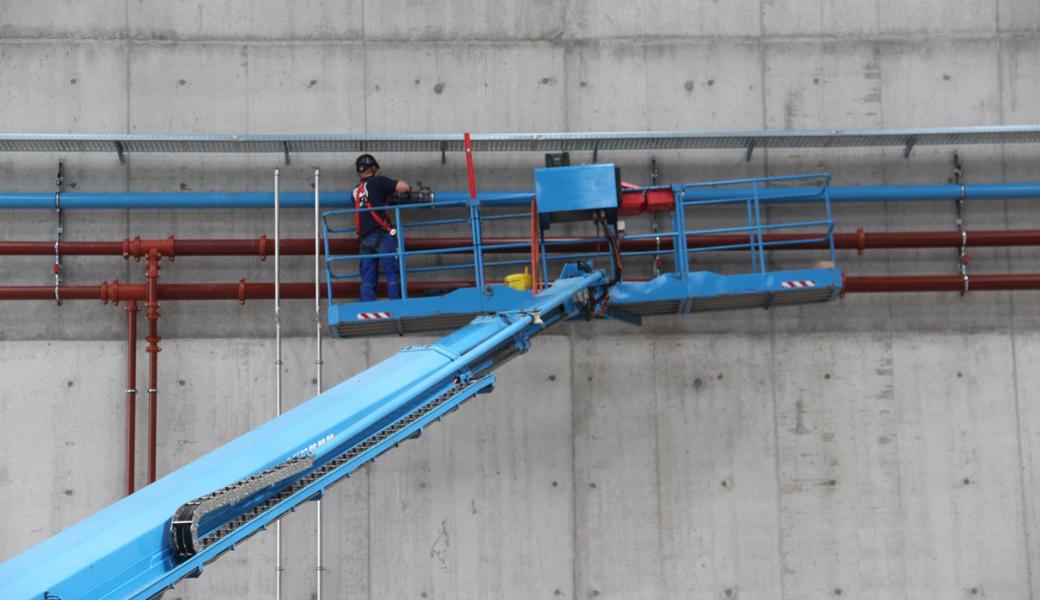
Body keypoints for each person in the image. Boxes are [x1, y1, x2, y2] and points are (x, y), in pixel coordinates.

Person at [352, 154, 411, 302]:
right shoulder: (378, 181)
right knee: (392, 272)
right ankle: (397, 303)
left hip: (364, 240)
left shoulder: (355, 192)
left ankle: (367, 305)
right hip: (383, 235)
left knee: (367, 276)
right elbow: (404, 187)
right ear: (373, 169)